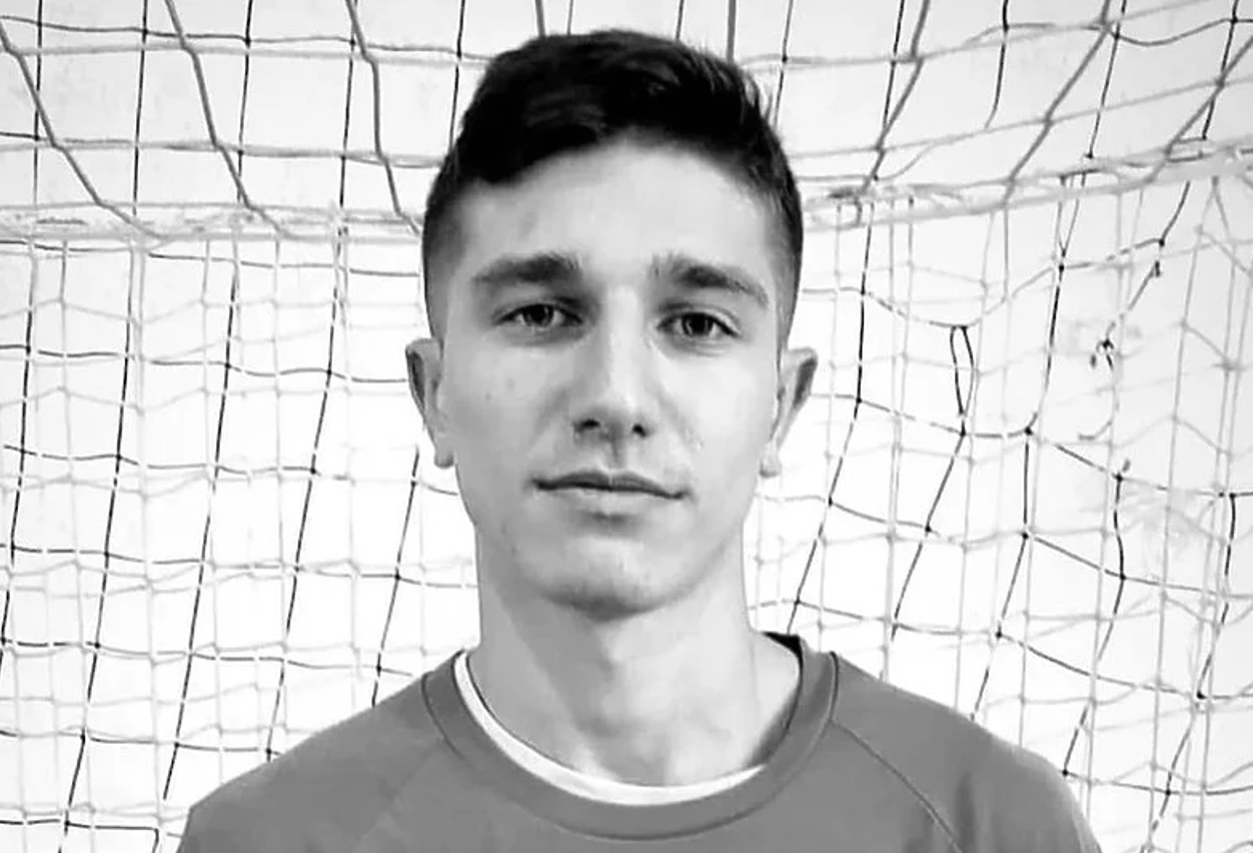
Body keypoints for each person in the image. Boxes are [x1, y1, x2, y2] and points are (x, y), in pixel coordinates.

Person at [179, 28, 1102, 852]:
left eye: (696, 323)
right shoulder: (271, 839)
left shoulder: (991, 822)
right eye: (541, 313)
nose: (616, 398)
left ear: (781, 404)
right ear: (435, 395)